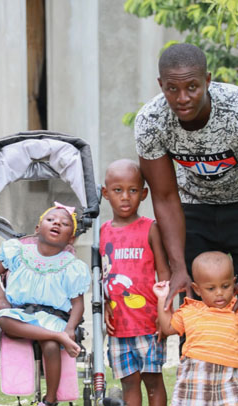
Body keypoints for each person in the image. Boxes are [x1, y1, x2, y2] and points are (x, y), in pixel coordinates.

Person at [134, 42, 238, 308]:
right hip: (191, 204)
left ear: (207, 81)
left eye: (192, 87)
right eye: (172, 88)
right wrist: (179, 266)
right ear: (161, 85)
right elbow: (165, 196)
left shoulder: (234, 111)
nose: (182, 98)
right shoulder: (151, 121)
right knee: (195, 301)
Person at [0, 203, 91, 406]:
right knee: (4, 320)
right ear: (37, 228)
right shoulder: (19, 252)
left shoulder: (71, 266)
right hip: (21, 315)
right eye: (51, 220)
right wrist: (1, 298)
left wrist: (69, 329)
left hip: (53, 318)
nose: (57, 223)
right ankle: (55, 336)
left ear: (71, 238)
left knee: (50, 346)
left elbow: (78, 305)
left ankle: (50, 400)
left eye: (65, 223)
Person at [100, 159, 171, 406]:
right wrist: (105, 303)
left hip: (149, 323)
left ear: (143, 194)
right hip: (118, 326)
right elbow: (103, 275)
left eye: (132, 190)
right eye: (117, 190)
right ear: (105, 193)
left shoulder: (150, 228)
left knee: (153, 381)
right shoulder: (103, 231)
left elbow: (164, 272)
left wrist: (165, 313)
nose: (125, 197)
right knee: (129, 383)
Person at [153, 251, 238, 405]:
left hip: (229, 377)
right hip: (195, 376)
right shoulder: (190, 310)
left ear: (234, 284)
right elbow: (167, 328)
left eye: (225, 286)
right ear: (197, 289)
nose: (219, 293)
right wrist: (162, 298)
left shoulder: (235, 310)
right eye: (211, 288)